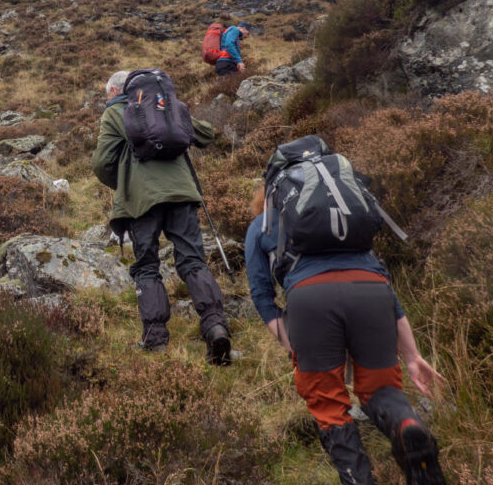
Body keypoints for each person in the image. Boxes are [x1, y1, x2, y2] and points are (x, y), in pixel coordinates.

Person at [244, 185, 446, 485]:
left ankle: (358, 479)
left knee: (328, 405)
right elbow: (383, 283)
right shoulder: (344, 215)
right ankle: (406, 423)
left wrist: (292, 345)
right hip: (372, 292)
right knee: (382, 390)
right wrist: (412, 355)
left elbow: (262, 295)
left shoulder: (262, 224)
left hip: (310, 299)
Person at [91, 70, 232, 364]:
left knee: (147, 265)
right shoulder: (164, 106)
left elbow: (101, 163)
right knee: (192, 260)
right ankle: (215, 327)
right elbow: (206, 133)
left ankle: (155, 339)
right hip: (183, 193)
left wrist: (123, 183)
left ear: (114, 91)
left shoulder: (115, 112)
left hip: (141, 200)